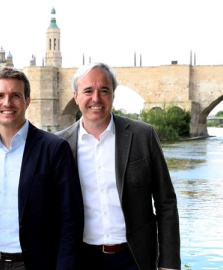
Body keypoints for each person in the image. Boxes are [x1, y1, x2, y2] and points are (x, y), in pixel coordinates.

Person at [56, 62, 180, 270]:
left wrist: (169, 263)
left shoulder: (143, 136)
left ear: (113, 95)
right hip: (80, 259)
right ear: (75, 96)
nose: (96, 98)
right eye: (88, 91)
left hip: (134, 258)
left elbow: (166, 202)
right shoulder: (59, 145)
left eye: (104, 90)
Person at [0, 68, 84, 270]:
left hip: (36, 263)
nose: (7, 103)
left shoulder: (53, 148)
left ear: (27, 100)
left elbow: (70, 217)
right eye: (0, 96)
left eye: (15, 96)